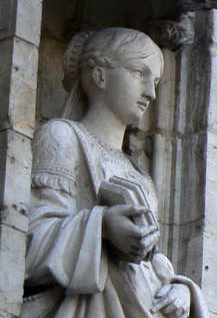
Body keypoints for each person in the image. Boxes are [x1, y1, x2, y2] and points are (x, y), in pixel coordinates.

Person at [24, 27, 205, 318]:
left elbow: (150, 263)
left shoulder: (140, 175)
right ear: (99, 75)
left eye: (155, 80)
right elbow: (27, 247)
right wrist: (103, 227)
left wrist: (180, 290)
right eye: (138, 73)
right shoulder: (61, 137)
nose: (151, 92)